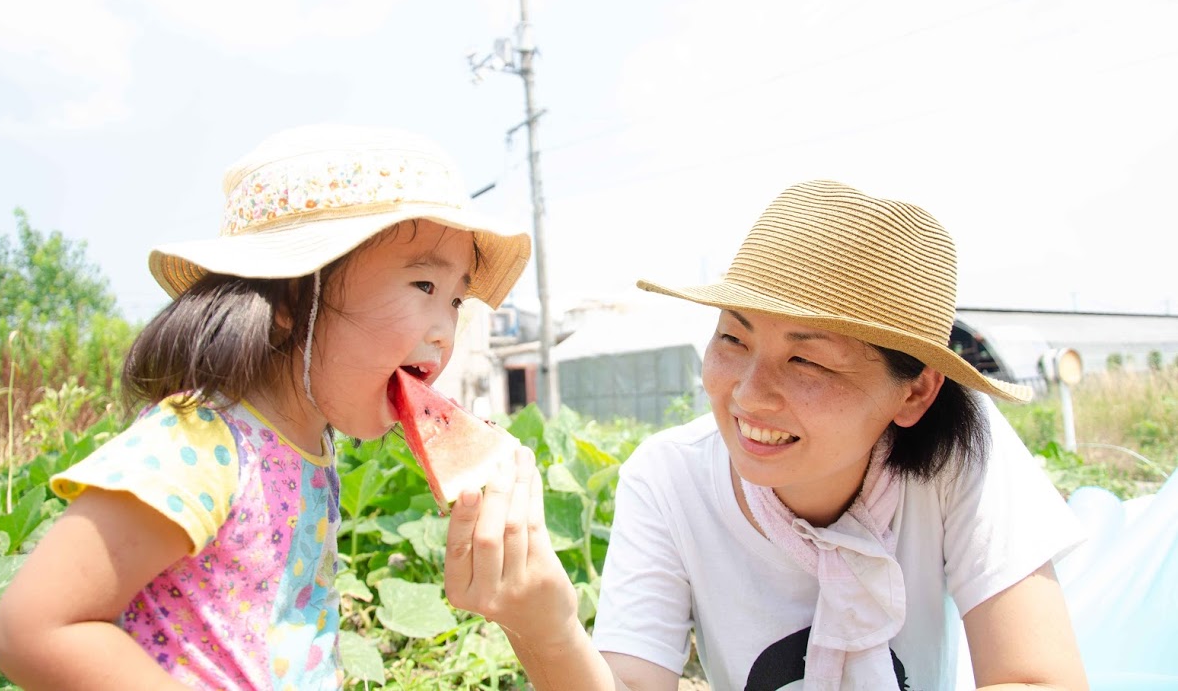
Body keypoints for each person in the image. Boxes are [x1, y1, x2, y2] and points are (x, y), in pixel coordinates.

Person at [445, 179, 1089, 691]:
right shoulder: (668, 479)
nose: (748, 393)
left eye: (806, 360)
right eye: (733, 338)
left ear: (915, 391)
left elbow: (1039, 678)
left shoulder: (964, 452)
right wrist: (548, 627)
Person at [0, 124, 531, 690]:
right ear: (291, 299)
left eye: (457, 299)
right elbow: (34, 628)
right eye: (423, 285)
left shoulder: (312, 445)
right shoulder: (198, 443)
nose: (446, 331)